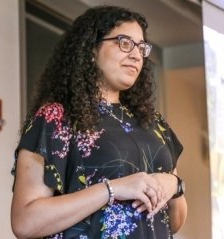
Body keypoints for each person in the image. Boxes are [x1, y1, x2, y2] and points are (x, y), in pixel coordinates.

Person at [11, 5, 187, 239]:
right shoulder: (56, 118)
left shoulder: (154, 124)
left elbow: (174, 223)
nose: (135, 55)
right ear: (91, 49)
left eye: (141, 47)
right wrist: (113, 189)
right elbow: (25, 222)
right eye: (124, 42)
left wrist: (174, 185)